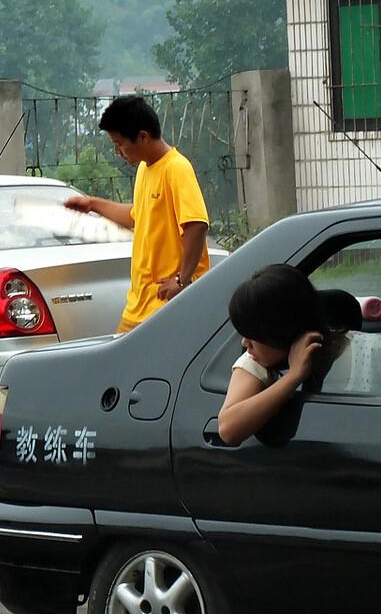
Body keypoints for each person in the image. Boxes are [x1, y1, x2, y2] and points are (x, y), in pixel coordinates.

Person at [64, 95, 211, 333]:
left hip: (167, 303)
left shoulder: (176, 168)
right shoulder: (144, 168)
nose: (117, 152)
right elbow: (137, 215)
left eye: (119, 144)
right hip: (139, 304)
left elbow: (196, 224)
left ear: (143, 136)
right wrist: (91, 204)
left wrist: (182, 280)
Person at [217, 264, 326, 445]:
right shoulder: (256, 363)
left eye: (253, 336)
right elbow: (228, 429)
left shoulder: (343, 349)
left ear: (280, 332)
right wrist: (294, 376)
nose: (244, 343)